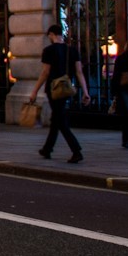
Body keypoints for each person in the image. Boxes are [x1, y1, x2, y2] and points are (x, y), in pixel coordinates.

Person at [28, 24, 88, 163]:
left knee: (60, 121)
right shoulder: (72, 50)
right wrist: (85, 92)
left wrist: (34, 91)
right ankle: (47, 149)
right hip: (66, 88)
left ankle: (76, 150)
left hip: (53, 89)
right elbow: (79, 72)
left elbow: (45, 73)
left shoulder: (48, 51)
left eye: (49, 35)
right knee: (56, 119)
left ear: (52, 34)